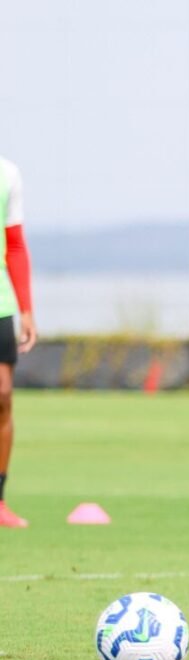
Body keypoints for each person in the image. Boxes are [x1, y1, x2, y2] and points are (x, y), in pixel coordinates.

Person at [0, 156, 37, 528]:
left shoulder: (7, 174)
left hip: (0, 304)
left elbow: (14, 245)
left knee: (3, 395)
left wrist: (26, 308)